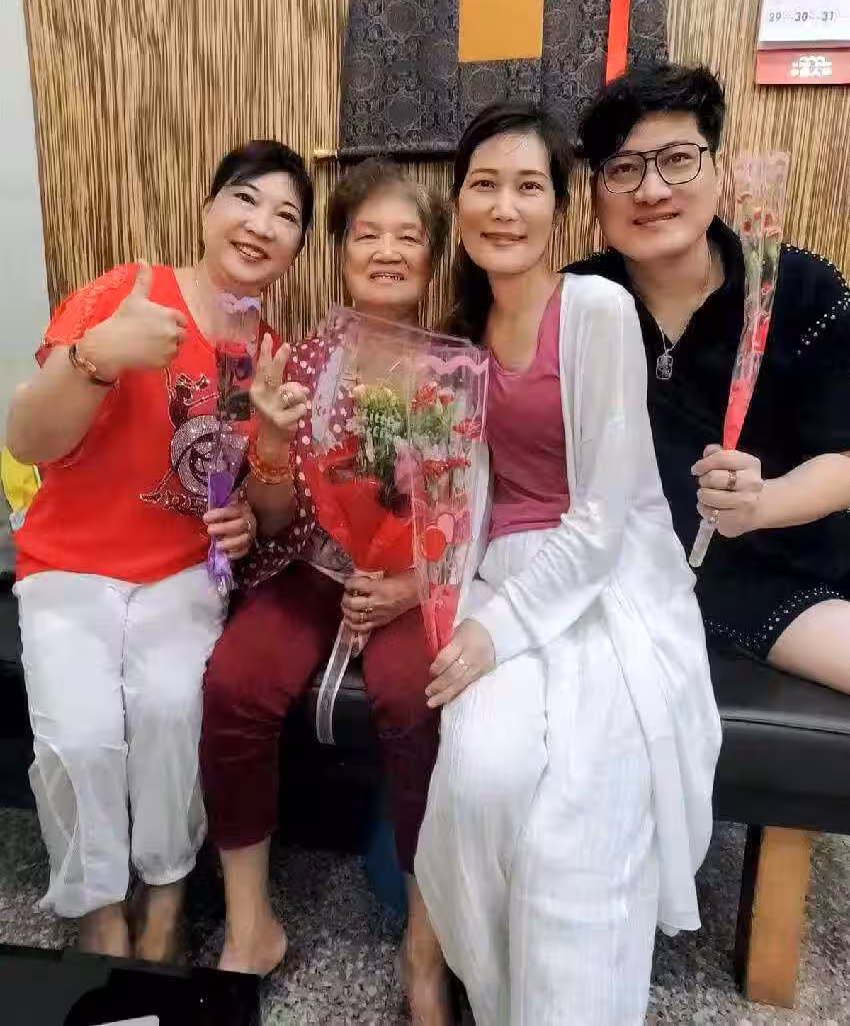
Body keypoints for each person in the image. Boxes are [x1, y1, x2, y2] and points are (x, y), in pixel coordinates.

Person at [413, 102, 721, 1026]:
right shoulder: (459, 338)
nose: (504, 208)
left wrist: (494, 631)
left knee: (579, 816)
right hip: (493, 578)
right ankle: (489, 990)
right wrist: (429, 587)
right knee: (480, 779)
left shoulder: (597, 310)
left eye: (528, 187)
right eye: (484, 185)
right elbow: (456, 505)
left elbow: (601, 519)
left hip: (608, 582)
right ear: (459, 203)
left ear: (564, 207)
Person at [4, 139, 314, 960]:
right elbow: (26, 439)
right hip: (68, 564)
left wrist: (250, 503)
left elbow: (258, 507)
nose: (261, 224)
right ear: (208, 210)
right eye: (245, 198)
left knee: (173, 712)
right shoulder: (127, 292)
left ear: (296, 249)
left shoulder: (264, 353)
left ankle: (168, 893)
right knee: (80, 737)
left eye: (286, 215)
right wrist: (98, 356)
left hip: (181, 573)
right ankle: (99, 907)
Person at [200, 159, 454, 1024]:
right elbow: (273, 519)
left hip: (411, 580)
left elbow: (472, 508)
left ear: (432, 258)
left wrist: (411, 582)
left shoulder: (457, 367)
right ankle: (249, 926)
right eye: (366, 234)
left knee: (416, 698)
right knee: (235, 681)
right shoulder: (302, 360)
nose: (386, 251)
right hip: (310, 562)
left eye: (408, 236)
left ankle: (425, 945)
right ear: (339, 251)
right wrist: (271, 444)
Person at [575, 63, 850, 693]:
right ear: (595, 194)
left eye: (677, 160)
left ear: (719, 172)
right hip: (626, 580)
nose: (651, 190)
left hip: (781, 572)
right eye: (624, 169)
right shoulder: (577, 303)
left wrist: (766, 501)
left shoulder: (800, 289)